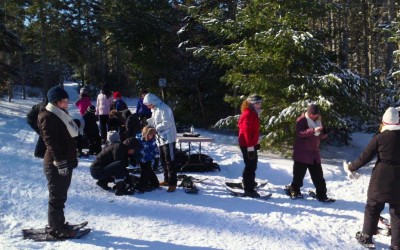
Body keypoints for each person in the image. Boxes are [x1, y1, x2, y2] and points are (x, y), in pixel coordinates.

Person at [344, 107, 400, 249]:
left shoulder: (379, 138)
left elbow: (365, 157)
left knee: (373, 207)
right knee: (397, 213)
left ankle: (367, 237)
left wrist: (352, 167)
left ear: (384, 121)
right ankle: (396, 245)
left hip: (380, 179)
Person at [37, 85, 80, 238]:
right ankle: (56, 227)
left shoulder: (60, 114)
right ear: (55, 102)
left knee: (61, 196)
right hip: (55, 164)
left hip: (64, 161)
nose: (67, 103)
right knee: (56, 197)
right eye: (64, 101)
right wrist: (60, 161)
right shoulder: (48, 116)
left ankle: (59, 223)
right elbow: (51, 142)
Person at [285, 104, 332, 202]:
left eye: (315, 114)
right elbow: (300, 133)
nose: (314, 116)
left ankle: (322, 194)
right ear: (309, 113)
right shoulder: (301, 120)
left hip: (314, 154)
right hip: (302, 153)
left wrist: (324, 133)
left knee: (318, 176)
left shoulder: (318, 121)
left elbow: (319, 136)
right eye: (312, 114)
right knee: (299, 176)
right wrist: (313, 130)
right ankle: (294, 189)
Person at [143, 93, 177, 192]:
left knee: (170, 160)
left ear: (153, 102)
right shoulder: (155, 109)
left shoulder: (164, 108)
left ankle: (173, 183)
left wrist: (155, 129)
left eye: (148, 104)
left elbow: (167, 122)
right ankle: (166, 179)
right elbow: (155, 121)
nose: (148, 107)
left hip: (169, 138)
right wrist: (148, 123)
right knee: (162, 160)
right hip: (160, 138)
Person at [90, 131, 140, 196]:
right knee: (119, 166)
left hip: (97, 169)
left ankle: (102, 182)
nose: (134, 152)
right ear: (130, 147)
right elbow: (119, 165)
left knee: (119, 167)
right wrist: (126, 180)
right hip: (97, 171)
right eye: (134, 150)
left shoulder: (119, 147)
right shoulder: (118, 147)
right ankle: (120, 190)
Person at [237, 94, 263, 198]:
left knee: (252, 164)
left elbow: (253, 131)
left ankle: (247, 182)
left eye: (260, 102)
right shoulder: (248, 114)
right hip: (247, 144)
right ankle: (248, 189)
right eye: (257, 103)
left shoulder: (253, 113)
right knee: (251, 166)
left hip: (250, 144)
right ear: (252, 103)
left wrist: (255, 143)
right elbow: (246, 131)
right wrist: (250, 147)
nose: (259, 105)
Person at [135, 125, 160, 192]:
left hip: (149, 158)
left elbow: (156, 150)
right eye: (150, 135)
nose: (151, 136)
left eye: (152, 135)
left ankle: (151, 184)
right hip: (142, 159)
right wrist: (136, 157)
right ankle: (148, 184)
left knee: (147, 171)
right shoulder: (139, 140)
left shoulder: (153, 141)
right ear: (146, 133)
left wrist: (156, 160)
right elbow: (136, 149)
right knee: (145, 171)